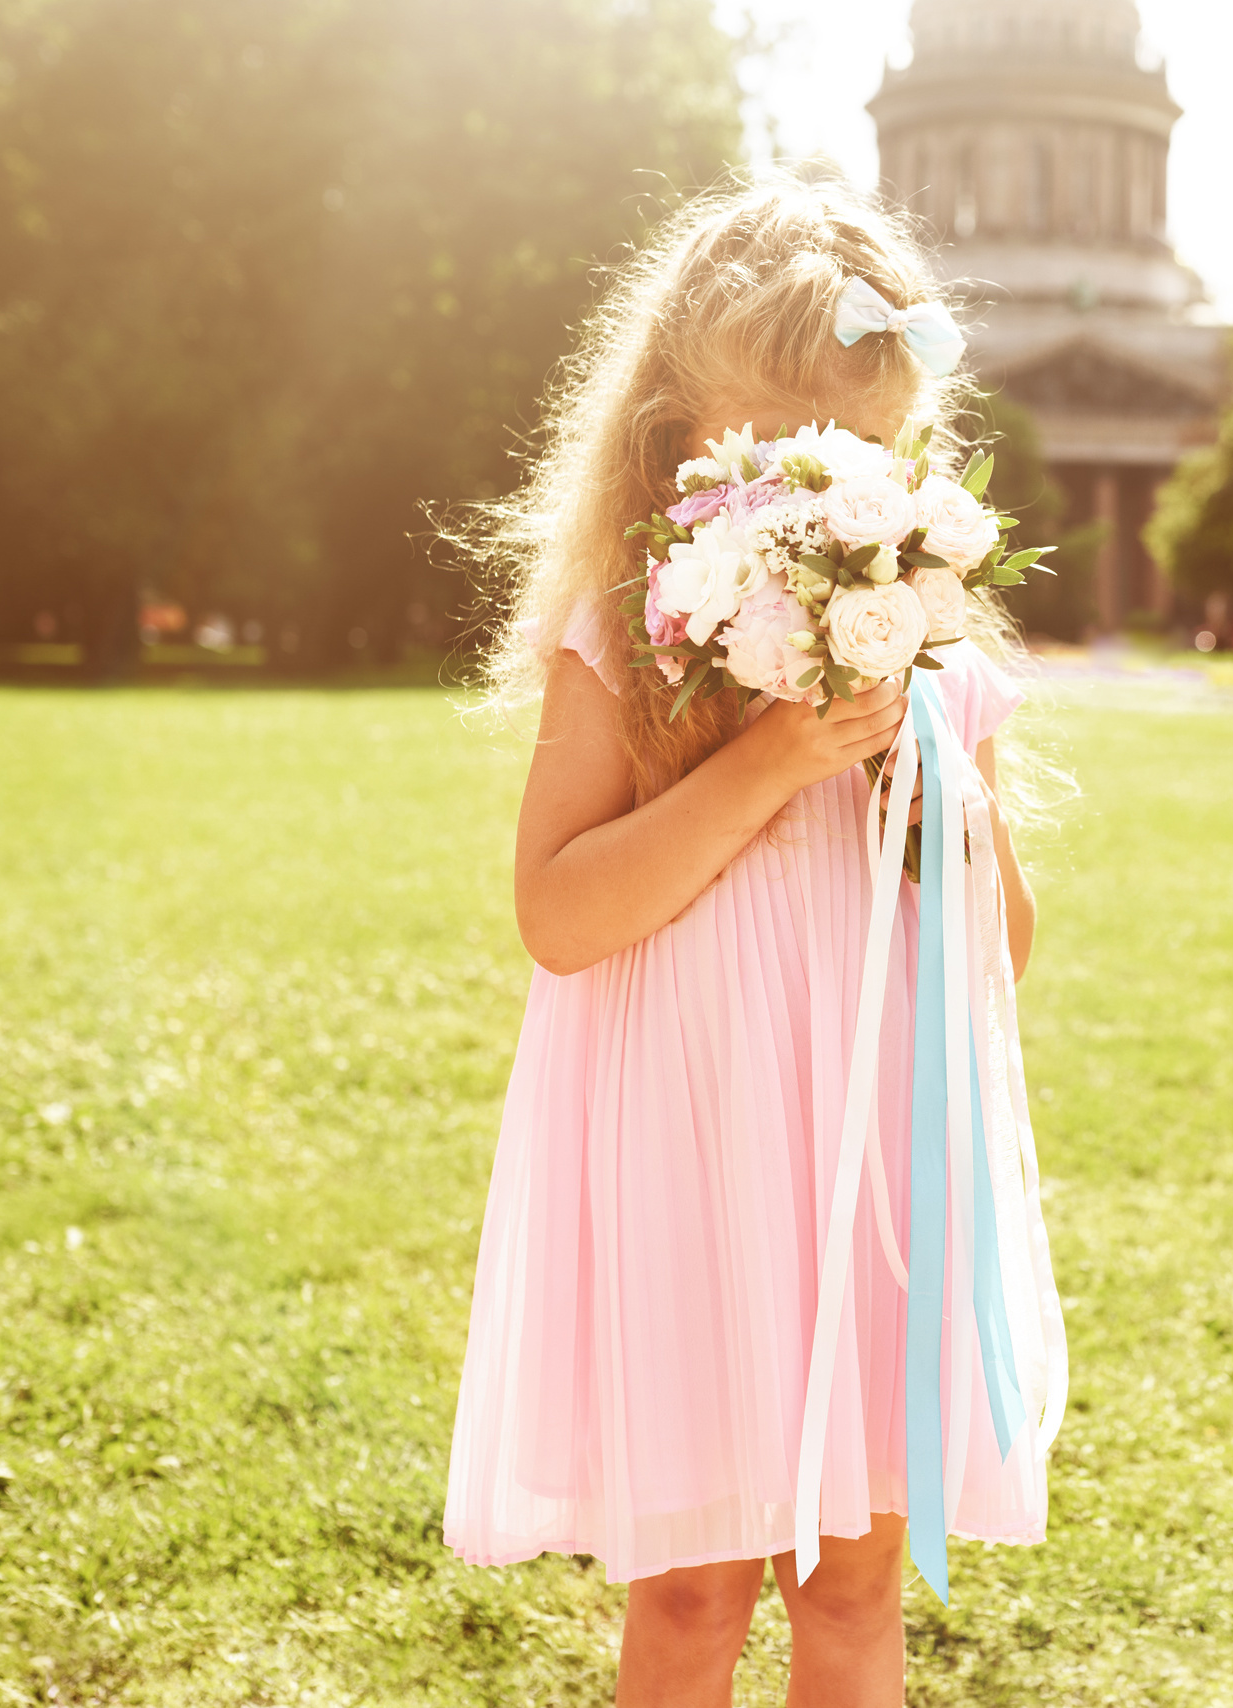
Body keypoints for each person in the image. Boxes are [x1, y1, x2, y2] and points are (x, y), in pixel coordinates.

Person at [444, 177, 1066, 1708]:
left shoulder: (932, 663)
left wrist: (928, 780)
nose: (812, 486)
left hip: (876, 1158)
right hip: (694, 1152)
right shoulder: (621, 645)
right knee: (690, 1596)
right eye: (774, 448)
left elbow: (1000, 953)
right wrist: (768, 762)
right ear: (677, 438)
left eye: (856, 450)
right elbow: (561, 916)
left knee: (855, 1586)